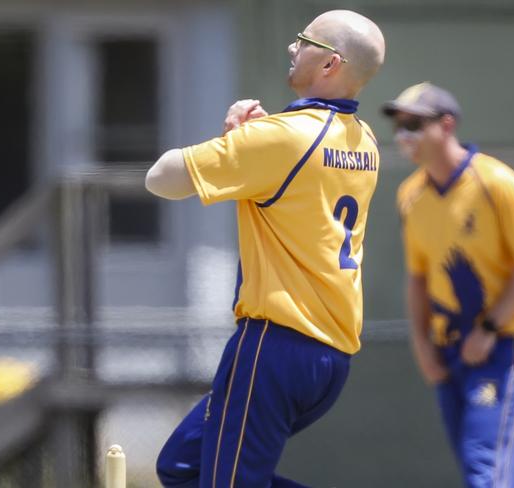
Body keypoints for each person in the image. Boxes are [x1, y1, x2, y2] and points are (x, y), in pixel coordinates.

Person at [146, 10, 385, 487]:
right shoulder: (366, 141)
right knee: (181, 467)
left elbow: (160, 179)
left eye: (304, 40)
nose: (292, 48)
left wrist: (234, 137)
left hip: (276, 344)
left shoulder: (284, 135)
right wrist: (246, 144)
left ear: (330, 63)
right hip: (329, 357)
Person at [384, 82, 514, 488]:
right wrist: (422, 346)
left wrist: (488, 329)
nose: (403, 135)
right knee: (478, 467)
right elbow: (418, 277)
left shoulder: (496, 183)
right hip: (449, 350)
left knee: (485, 467)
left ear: (447, 125)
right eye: (399, 125)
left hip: (501, 346)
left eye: (414, 123)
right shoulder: (410, 195)